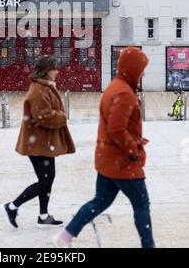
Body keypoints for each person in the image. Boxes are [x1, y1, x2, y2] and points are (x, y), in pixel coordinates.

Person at [53, 47, 156, 248]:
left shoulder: (114, 86)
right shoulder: (124, 93)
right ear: (133, 69)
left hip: (107, 159)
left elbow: (115, 127)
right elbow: (117, 129)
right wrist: (133, 150)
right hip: (122, 162)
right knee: (141, 203)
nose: (143, 73)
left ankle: (64, 236)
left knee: (100, 201)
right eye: (142, 68)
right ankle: (148, 245)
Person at [2, 55, 75, 229]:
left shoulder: (44, 87)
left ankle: (43, 216)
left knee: (48, 178)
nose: (57, 71)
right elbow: (44, 117)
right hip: (37, 144)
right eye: (54, 68)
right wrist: (62, 117)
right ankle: (12, 206)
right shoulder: (39, 90)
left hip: (43, 143)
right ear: (46, 71)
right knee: (45, 181)